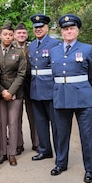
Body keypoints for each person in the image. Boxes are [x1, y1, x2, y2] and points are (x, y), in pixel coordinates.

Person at [49, 14, 92, 183]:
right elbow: (53, 74)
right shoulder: (54, 50)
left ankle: (89, 169)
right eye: (65, 29)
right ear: (61, 32)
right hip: (61, 97)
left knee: (86, 135)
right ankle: (60, 163)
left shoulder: (87, 49)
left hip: (82, 99)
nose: (68, 31)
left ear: (77, 31)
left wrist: (84, 88)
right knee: (61, 134)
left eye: (71, 28)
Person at [0, 22, 26, 166]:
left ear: (13, 36)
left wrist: (11, 91)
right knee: (1, 124)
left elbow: (21, 74)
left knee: (13, 123)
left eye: (10, 35)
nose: (8, 37)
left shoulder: (19, 52)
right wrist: (2, 91)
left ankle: (12, 153)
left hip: (15, 94)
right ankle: (2, 153)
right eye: (5, 34)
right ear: (0, 35)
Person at [29, 14, 61, 162]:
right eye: (36, 27)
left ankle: (60, 153)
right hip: (35, 89)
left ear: (46, 27)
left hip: (50, 89)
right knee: (40, 123)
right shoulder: (31, 45)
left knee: (56, 124)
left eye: (41, 27)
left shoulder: (55, 44)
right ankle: (45, 150)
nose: (38, 29)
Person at [13, 23, 39, 155]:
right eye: (19, 33)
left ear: (27, 34)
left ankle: (37, 143)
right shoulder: (11, 48)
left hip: (31, 83)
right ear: (14, 35)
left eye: (23, 33)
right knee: (16, 117)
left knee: (33, 115)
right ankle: (18, 144)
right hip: (16, 86)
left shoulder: (33, 47)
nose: (21, 35)